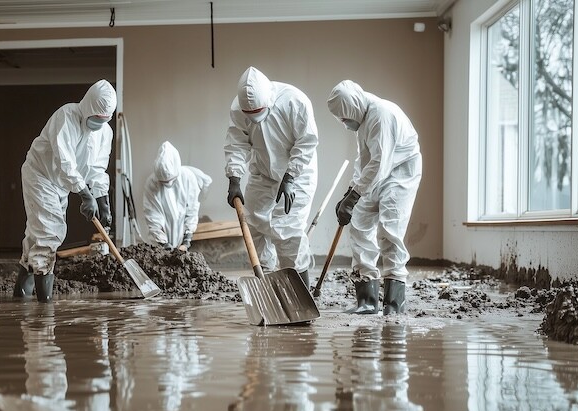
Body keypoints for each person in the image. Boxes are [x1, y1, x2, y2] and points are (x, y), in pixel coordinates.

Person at [14, 80, 117, 302]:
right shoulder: (67, 116)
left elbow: (98, 168)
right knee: (50, 232)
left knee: (37, 234)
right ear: (87, 107)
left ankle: (21, 295)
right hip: (41, 176)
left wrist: (102, 199)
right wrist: (83, 193)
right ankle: (45, 307)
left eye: (104, 120)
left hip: (60, 184)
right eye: (96, 118)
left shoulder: (105, 133)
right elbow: (65, 161)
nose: (99, 123)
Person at [328, 80, 422, 315]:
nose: (344, 123)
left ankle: (393, 304)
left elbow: (379, 164)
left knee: (389, 232)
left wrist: (355, 195)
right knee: (359, 226)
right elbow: (364, 161)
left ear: (352, 109)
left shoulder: (381, 115)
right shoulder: (363, 119)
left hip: (399, 173)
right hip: (376, 175)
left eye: (344, 118)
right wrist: (349, 193)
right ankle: (367, 301)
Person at [224, 66, 318, 286]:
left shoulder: (294, 101)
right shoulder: (238, 109)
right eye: (251, 115)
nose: (255, 119)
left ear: (269, 101)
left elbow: (307, 142)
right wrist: (234, 178)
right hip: (262, 172)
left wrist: (290, 177)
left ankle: (299, 289)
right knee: (254, 222)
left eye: (259, 113)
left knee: (288, 230)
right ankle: (266, 279)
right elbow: (236, 143)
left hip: (298, 174)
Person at [143, 141, 212, 251]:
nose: (168, 185)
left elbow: (192, 209)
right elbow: (152, 215)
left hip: (181, 232)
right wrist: (162, 242)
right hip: (159, 240)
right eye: (164, 183)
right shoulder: (151, 183)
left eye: (170, 181)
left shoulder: (188, 178)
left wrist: (187, 238)